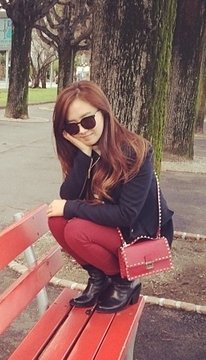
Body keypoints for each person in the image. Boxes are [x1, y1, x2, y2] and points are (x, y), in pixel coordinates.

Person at [46, 81, 174, 313]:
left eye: (87, 121)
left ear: (104, 112)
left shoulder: (135, 151)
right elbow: (68, 195)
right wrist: (83, 157)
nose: (82, 131)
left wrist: (71, 208)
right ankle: (98, 279)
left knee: (76, 230)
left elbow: (126, 215)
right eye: (73, 127)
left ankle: (124, 281)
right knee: (57, 221)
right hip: (111, 227)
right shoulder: (86, 151)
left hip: (138, 232)